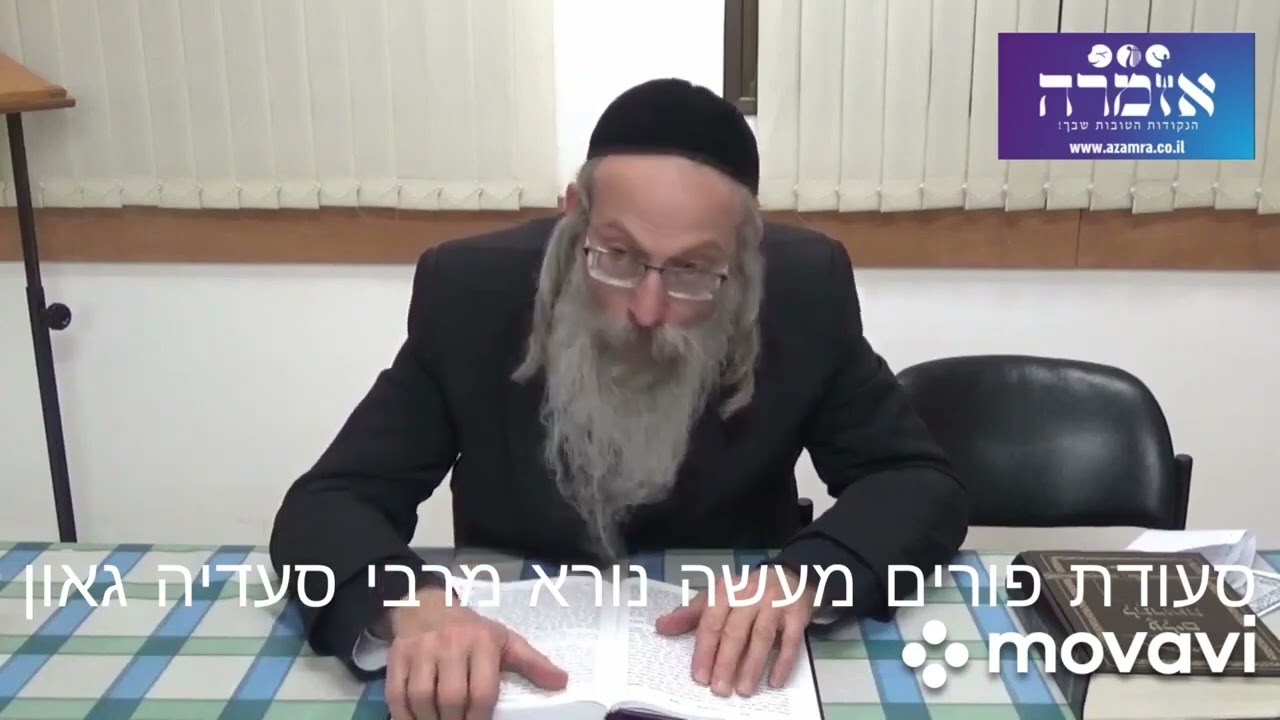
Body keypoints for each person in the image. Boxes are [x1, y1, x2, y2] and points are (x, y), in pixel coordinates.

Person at [269, 77, 968, 720]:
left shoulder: (804, 290)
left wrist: (804, 578)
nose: (647, 308)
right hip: (519, 672)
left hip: (727, 678)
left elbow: (915, 481)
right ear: (576, 216)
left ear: (744, 252)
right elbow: (329, 503)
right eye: (618, 256)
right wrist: (411, 605)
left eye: (693, 269)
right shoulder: (470, 293)